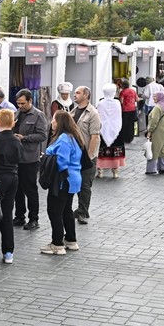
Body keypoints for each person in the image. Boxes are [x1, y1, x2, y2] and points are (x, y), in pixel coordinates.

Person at [41, 111, 84, 255]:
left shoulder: (64, 138)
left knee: (54, 211)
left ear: (60, 122)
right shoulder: (73, 137)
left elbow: (62, 161)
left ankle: (57, 243)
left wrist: (47, 158)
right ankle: (71, 240)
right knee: (66, 210)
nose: (52, 122)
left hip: (63, 180)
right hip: (73, 179)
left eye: (53, 119)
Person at [12, 89, 48, 232]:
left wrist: (25, 138)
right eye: (18, 103)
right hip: (16, 159)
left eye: (22, 103)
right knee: (17, 190)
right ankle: (20, 216)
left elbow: (42, 136)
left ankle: (34, 219)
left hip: (30, 159)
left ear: (30, 101)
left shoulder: (38, 115)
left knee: (30, 189)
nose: (20, 106)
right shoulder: (17, 113)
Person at [0, 109, 20, 265]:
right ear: (13, 122)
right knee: (7, 215)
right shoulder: (16, 141)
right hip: (13, 177)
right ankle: (8, 252)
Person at [71, 86, 101, 225]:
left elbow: (94, 136)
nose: (74, 95)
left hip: (87, 156)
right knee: (74, 183)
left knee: (85, 185)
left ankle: (83, 212)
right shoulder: (73, 111)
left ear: (86, 95)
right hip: (74, 154)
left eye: (78, 93)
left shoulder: (92, 113)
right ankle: (77, 209)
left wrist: (89, 156)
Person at [95, 84, 125, 179]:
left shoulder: (100, 103)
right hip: (115, 129)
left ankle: (100, 171)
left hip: (102, 129)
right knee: (115, 150)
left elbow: (98, 115)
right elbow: (118, 117)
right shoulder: (117, 103)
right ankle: (115, 171)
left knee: (101, 149)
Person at [145, 91, 164, 175]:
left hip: (158, 131)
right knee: (163, 150)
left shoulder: (157, 107)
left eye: (155, 97)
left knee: (154, 149)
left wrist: (150, 131)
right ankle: (162, 168)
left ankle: (151, 169)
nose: (153, 98)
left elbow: (154, 121)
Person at [119, 79, 138, 144]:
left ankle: (124, 137)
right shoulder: (133, 91)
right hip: (132, 109)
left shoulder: (123, 92)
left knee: (124, 124)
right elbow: (137, 99)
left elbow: (121, 101)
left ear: (123, 85)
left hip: (125, 110)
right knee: (131, 124)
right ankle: (130, 138)